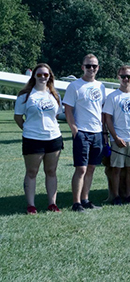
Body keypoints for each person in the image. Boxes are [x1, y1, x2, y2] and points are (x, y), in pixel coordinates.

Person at [14, 63, 63, 214]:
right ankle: (31, 205)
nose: (42, 77)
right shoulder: (25, 95)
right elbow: (18, 117)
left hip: (53, 138)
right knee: (32, 172)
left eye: (46, 75)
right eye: (39, 74)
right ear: (34, 76)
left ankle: (52, 204)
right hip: (32, 139)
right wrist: (29, 130)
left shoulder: (55, 94)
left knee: (51, 171)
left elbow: (55, 116)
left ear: (50, 77)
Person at [63, 54, 106, 212]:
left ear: (98, 68)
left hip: (97, 133)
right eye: (88, 66)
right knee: (81, 169)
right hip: (82, 132)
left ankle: (85, 199)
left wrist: (103, 130)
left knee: (91, 168)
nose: (91, 69)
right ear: (83, 67)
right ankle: (76, 203)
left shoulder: (101, 86)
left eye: (94, 66)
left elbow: (101, 109)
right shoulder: (74, 86)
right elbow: (68, 109)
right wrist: (75, 130)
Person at [102, 65, 130, 205]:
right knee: (116, 169)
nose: (125, 79)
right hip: (118, 138)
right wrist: (115, 137)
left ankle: (129, 195)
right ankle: (115, 196)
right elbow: (107, 118)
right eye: (123, 76)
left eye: (128, 76)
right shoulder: (112, 97)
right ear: (118, 77)